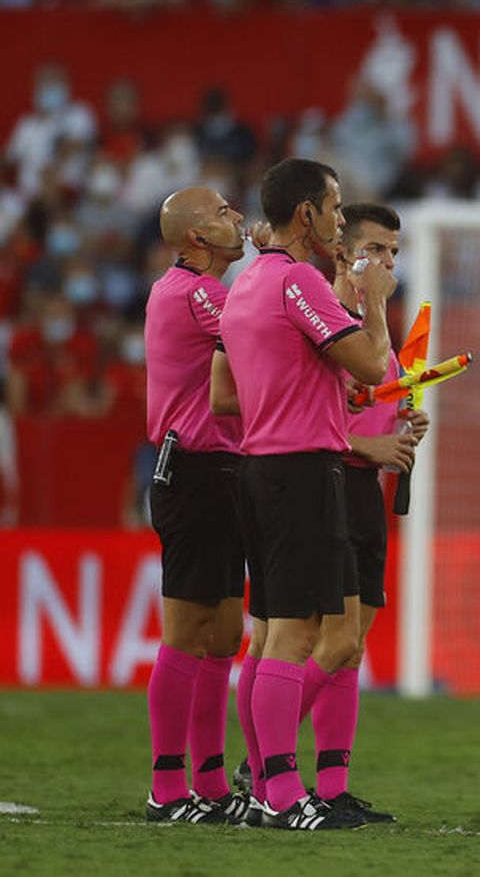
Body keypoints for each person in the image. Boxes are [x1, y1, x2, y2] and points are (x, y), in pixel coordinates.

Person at [219, 204, 426, 823]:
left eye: (394, 250)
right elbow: (273, 401)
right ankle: (264, 771)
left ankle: (330, 785)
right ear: (342, 252)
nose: (389, 261)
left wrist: (403, 428)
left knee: (348, 647)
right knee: (314, 641)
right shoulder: (323, 313)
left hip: (356, 491)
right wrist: (367, 444)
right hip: (316, 478)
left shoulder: (362, 326)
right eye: (377, 249)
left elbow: (361, 400)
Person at [141, 186, 250, 824]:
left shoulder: (193, 292)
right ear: (194, 239)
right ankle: (167, 786)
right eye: (220, 213)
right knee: (188, 632)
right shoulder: (197, 293)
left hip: (224, 468)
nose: (235, 217)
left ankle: (209, 780)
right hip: (196, 470)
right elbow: (269, 335)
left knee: (225, 633)